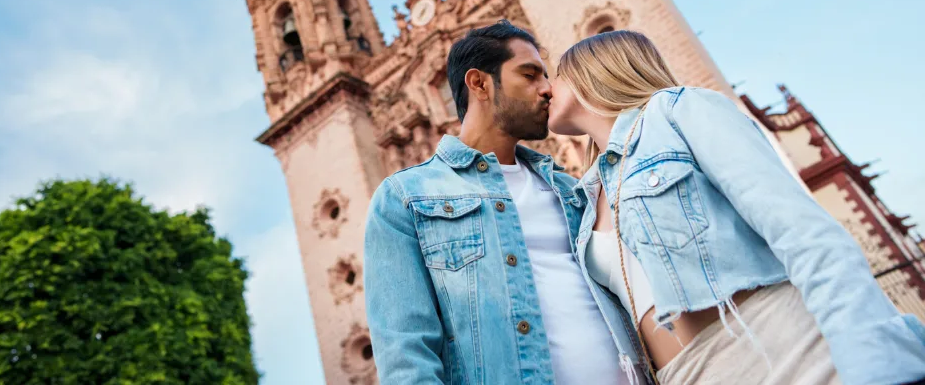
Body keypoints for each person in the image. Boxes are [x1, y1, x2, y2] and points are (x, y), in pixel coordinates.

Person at [548, 29, 925, 385]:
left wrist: (873, 359)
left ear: (593, 70)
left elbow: (801, 230)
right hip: (685, 374)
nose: (546, 87)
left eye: (556, 74)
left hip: (780, 348)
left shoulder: (679, 112)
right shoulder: (584, 195)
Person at [364, 21, 649, 384]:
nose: (548, 89)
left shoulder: (573, 187)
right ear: (479, 84)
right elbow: (406, 356)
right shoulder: (405, 199)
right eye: (529, 75)